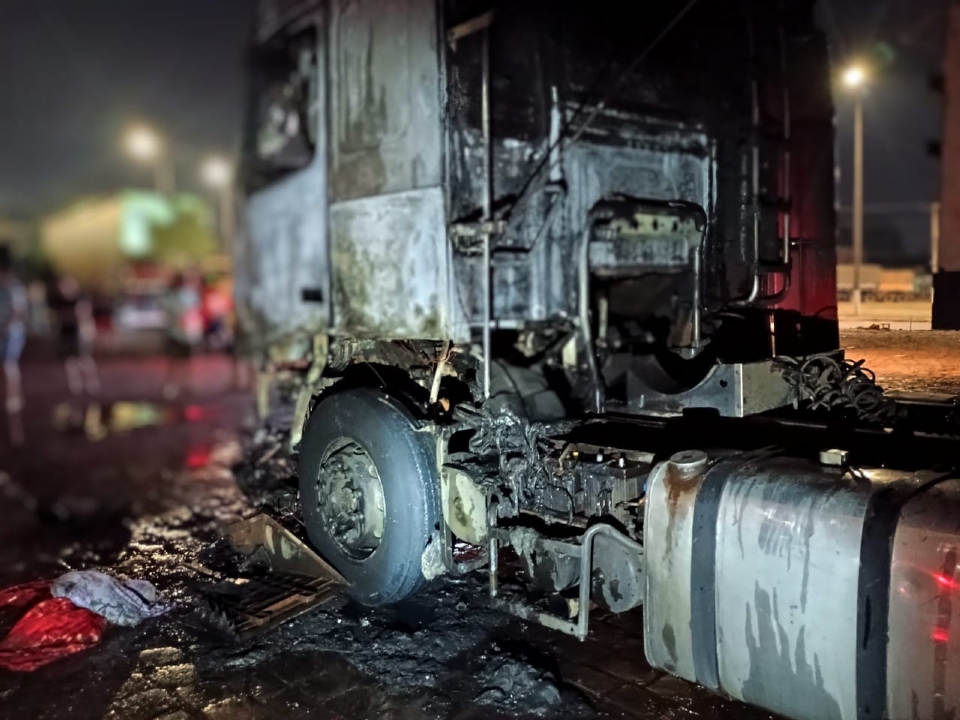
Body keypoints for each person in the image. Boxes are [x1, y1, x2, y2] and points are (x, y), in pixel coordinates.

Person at [50, 274, 100, 397]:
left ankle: (91, 382)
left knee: (85, 359)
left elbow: (83, 315)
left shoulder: (80, 298)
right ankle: (75, 386)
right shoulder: (59, 301)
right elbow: (57, 317)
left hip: (79, 332)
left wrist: (88, 330)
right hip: (66, 332)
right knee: (70, 361)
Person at [161, 271, 204, 399]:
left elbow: (195, 311)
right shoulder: (173, 296)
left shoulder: (189, 295)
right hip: (177, 333)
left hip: (186, 334)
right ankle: (174, 385)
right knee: (175, 361)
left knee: (185, 361)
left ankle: (185, 384)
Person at [0, 247, 27, 446]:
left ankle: (13, 398)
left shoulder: (14, 287)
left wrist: (6, 328)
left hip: (11, 333)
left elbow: (18, 312)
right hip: (5, 331)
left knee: (9, 365)